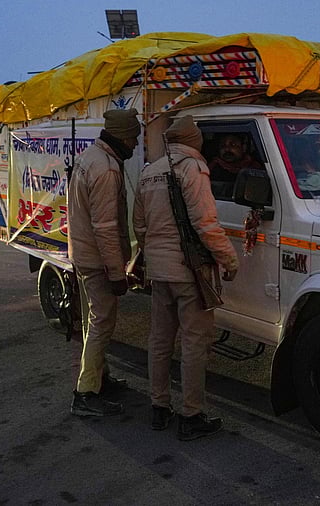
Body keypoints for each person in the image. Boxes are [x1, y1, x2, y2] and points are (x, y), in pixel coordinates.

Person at [133, 115, 239, 440]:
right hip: (189, 271)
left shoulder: (149, 171)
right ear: (194, 141)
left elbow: (139, 225)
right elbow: (205, 223)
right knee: (194, 344)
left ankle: (159, 407)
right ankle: (191, 415)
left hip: (160, 271)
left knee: (160, 340)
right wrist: (229, 259)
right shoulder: (193, 168)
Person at [67, 108, 141, 417]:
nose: (136, 145)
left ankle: (100, 379)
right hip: (98, 262)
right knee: (101, 324)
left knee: (91, 322)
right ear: (123, 137)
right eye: (134, 139)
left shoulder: (91, 157)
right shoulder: (107, 169)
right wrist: (116, 273)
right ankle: (85, 393)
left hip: (83, 255)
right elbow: (106, 228)